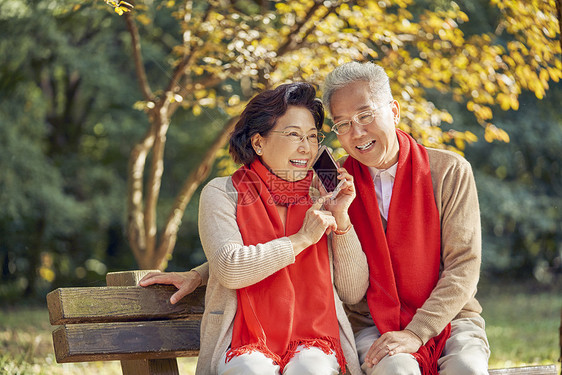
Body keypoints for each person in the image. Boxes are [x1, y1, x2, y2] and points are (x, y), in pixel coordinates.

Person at [140, 82, 369, 375]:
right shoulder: (223, 192)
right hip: (245, 341)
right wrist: (301, 239)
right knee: (250, 369)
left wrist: (342, 218)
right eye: (293, 135)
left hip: (316, 338)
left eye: (313, 136)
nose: (306, 147)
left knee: (311, 368)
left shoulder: (321, 195)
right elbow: (230, 267)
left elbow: (353, 291)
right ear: (258, 142)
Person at [321, 61, 490, 375]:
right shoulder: (335, 183)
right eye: (342, 123)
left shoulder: (450, 170)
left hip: (453, 318)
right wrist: (340, 216)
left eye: (365, 115)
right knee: (396, 371)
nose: (356, 132)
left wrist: (416, 332)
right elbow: (348, 289)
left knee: (467, 369)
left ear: (394, 111)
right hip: (372, 323)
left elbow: (464, 265)